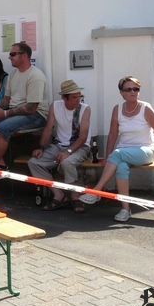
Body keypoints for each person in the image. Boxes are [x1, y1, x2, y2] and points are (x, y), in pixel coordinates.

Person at [79, 76, 154, 222]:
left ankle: (96, 191)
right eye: (128, 89)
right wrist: (107, 156)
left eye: (136, 89)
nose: (133, 92)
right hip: (123, 152)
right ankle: (125, 209)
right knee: (121, 166)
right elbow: (113, 134)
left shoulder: (146, 108)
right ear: (122, 93)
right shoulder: (117, 109)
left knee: (118, 154)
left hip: (145, 151)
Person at [0, 42, 49, 173]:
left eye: (12, 54)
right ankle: (1, 166)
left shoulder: (36, 76)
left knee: (2, 128)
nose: (9, 57)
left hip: (36, 115)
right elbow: (7, 99)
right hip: (16, 111)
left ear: (24, 56)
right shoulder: (13, 74)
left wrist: (5, 114)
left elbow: (32, 107)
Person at [28, 80, 92, 213]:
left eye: (79, 96)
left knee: (67, 162)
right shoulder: (55, 106)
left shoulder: (85, 109)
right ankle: (59, 195)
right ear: (64, 98)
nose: (78, 100)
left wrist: (68, 151)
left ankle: (75, 197)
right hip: (59, 145)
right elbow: (48, 129)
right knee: (33, 162)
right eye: (74, 97)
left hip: (79, 146)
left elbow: (83, 137)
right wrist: (41, 147)